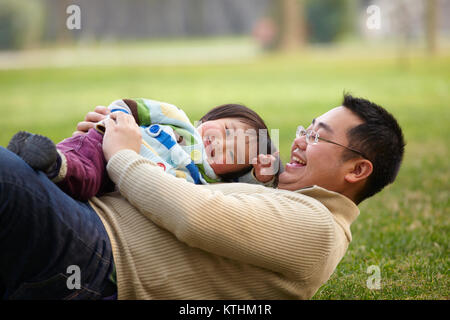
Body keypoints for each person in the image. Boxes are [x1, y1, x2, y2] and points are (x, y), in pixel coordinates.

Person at [0, 94, 405, 299]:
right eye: (306, 128)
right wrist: (116, 130)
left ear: (357, 170)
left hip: (97, 252)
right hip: (86, 222)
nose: (299, 139)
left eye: (317, 137)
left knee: (9, 177)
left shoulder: (318, 229)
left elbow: (195, 216)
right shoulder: (288, 197)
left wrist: (120, 154)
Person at [6, 99, 280, 201]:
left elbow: (249, 193)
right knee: (85, 169)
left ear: (228, 174)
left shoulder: (206, 181)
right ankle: (51, 162)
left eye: (230, 156)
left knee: (87, 185)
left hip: (120, 182)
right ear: (211, 118)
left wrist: (262, 174)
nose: (220, 144)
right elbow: (134, 106)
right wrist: (115, 116)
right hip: (105, 144)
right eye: (228, 131)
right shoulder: (179, 120)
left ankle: (45, 167)